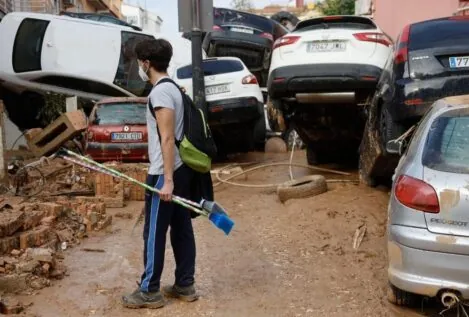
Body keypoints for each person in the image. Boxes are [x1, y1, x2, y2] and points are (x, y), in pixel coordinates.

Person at [121, 38, 198, 309]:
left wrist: (166, 181)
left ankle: (150, 290)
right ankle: (184, 283)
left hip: (165, 173)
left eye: (139, 62)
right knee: (181, 228)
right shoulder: (173, 88)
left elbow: (167, 139)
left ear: (146, 64)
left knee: (153, 232)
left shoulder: (161, 93)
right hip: (178, 170)